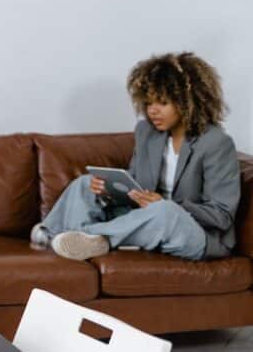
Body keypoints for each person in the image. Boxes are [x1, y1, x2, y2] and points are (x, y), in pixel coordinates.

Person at [31, 52, 240, 261]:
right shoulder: (147, 132)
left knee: (165, 211)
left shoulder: (216, 144)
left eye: (162, 103)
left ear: (187, 102)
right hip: (145, 218)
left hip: (194, 232)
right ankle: (83, 239)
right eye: (148, 103)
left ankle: (80, 236)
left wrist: (172, 205)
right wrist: (109, 190)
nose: (152, 111)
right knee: (85, 184)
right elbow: (137, 182)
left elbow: (221, 216)